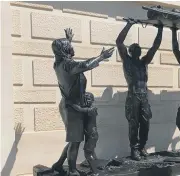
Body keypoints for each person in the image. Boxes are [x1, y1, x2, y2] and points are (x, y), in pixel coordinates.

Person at [51, 28, 114, 176]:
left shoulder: (59, 63)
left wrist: (68, 40)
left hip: (71, 105)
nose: (72, 48)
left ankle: (59, 164)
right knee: (75, 141)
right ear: (66, 50)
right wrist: (101, 57)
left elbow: (66, 57)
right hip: (73, 107)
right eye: (70, 46)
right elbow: (85, 65)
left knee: (74, 139)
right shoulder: (67, 65)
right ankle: (72, 171)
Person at [116, 18, 163, 161]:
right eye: (135, 48)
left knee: (146, 123)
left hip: (144, 96)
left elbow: (155, 47)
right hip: (133, 96)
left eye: (139, 48)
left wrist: (160, 29)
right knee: (134, 124)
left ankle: (142, 146)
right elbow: (119, 42)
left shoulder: (144, 62)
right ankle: (134, 149)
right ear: (130, 51)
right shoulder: (127, 61)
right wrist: (129, 24)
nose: (138, 49)